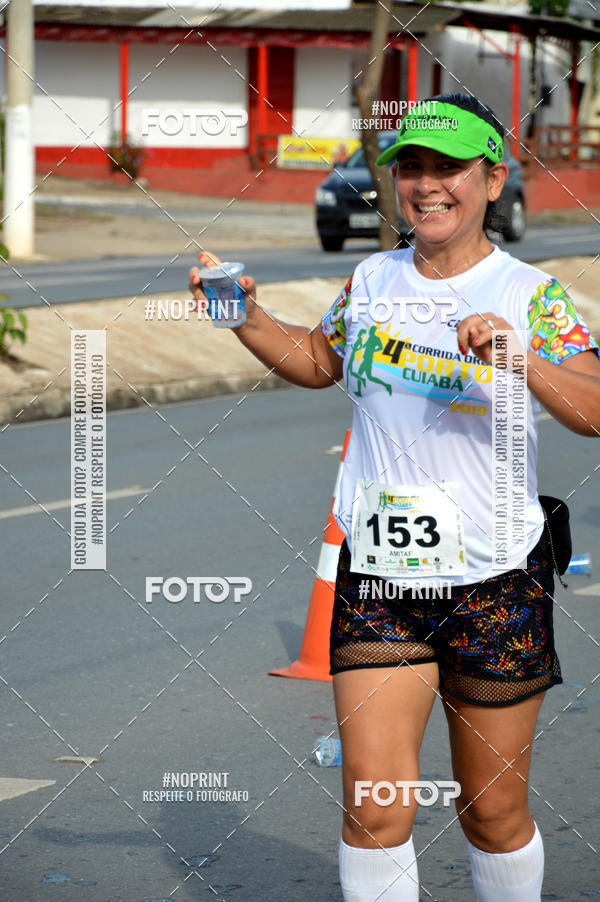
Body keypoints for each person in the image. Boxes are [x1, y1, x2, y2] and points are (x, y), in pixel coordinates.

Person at [188, 93, 600, 901]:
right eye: (411, 166)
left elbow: (592, 411)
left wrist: (520, 359)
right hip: (379, 581)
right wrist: (242, 315)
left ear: (492, 178)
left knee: (493, 811)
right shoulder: (372, 276)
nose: (426, 184)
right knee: (374, 808)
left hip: (495, 582)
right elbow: (318, 359)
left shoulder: (531, 294)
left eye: (448, 168)